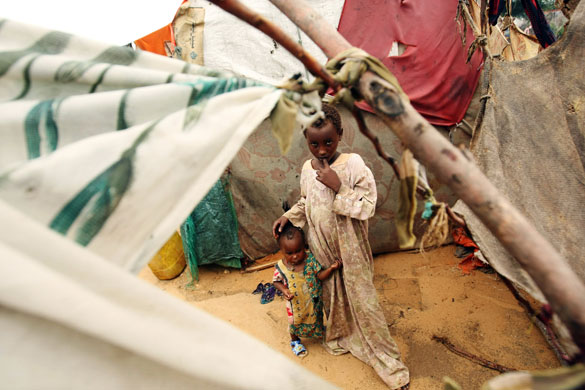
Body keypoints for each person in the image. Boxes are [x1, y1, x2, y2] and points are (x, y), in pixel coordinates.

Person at [272, 104, 410, 389]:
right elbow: (306, 202)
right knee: (333, 296)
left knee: (363, 301)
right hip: (322, 248)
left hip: (351, 249)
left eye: (328, 142)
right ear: (305, 139)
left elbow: (369, 206)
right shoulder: (306, 170)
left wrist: (339, 187)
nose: (321, 150)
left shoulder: (353, 164)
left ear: (340, 135)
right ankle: (343, 337)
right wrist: (288, 216)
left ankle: (390, 365)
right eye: (314, 143)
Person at [272, 222, 342, 357]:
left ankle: (317, 332)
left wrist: (331, 269)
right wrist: (284, 290)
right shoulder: (281, 266)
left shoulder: (310, 260)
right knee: (295, 323)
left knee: (316, 316)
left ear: (304, 246)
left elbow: (320, 276)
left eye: (298, 251)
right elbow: (276, 281)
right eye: (289, 253)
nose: (295, 256)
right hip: (295, 303)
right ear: (282, 251)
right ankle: (295, 341)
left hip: (312, 301)